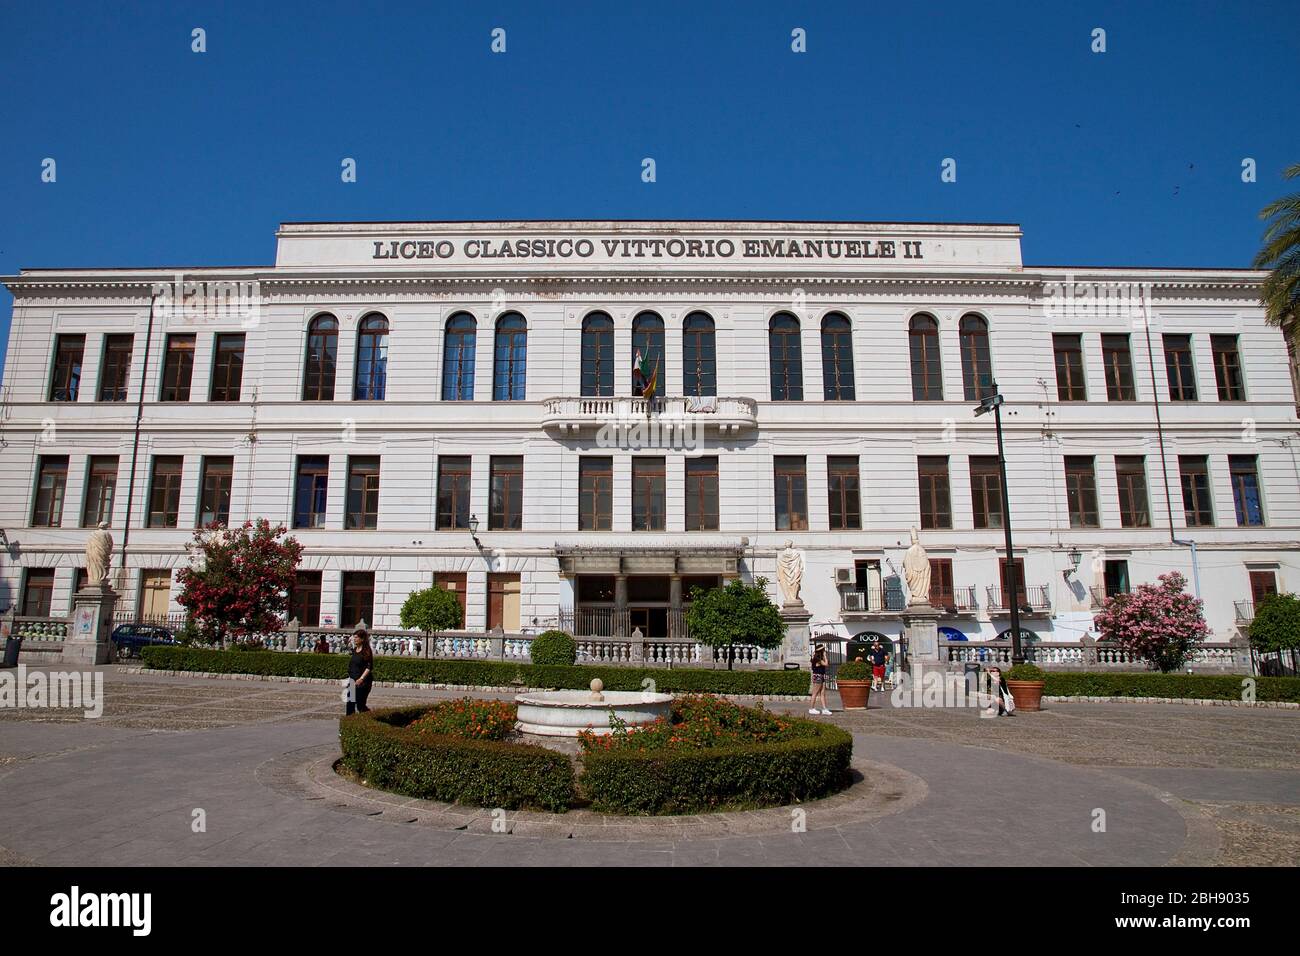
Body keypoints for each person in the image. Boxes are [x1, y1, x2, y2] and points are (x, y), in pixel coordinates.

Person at [346, 629, 374, 715]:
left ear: (362, 639)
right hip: (352, 680)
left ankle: (370, 716)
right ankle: (349, 722)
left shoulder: (366, 651)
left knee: (360, 705)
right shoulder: (355, 650)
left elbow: (369, 667)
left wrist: (361, 679)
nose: (354, 639)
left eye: (356, 637)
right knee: (350, 704)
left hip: (363, 682)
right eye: (354, 637)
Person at [808, 644, 831, 715]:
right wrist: (825, 655)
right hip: (818, 676)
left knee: (822, 693)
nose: (824, 651)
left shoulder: (818, 658)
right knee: (815, 693)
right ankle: (811, 708)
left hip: (821, 676)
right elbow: (826, 664)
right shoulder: (817, 659)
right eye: (823, 650)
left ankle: (824, 709)